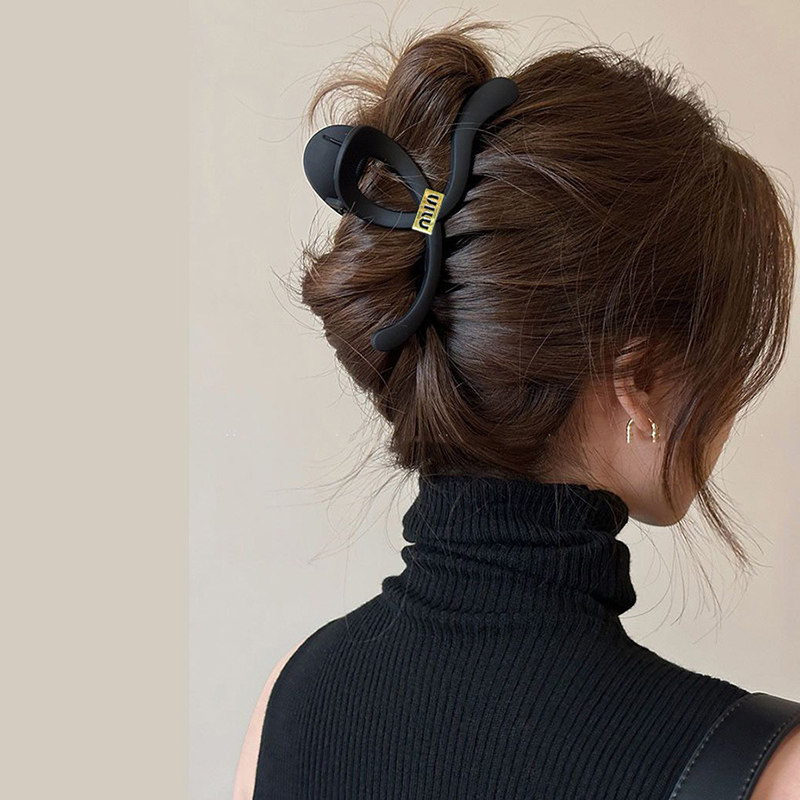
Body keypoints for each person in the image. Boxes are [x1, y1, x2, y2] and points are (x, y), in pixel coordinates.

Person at [234, 19, 798, 799]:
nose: (732, 400)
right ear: (639, 378)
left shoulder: (291, 704)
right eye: (728, 356)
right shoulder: (765, 773)